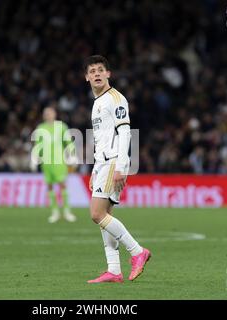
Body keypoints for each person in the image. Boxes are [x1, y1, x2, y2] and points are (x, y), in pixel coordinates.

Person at [84, 55, 151, 283]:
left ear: (108, 74)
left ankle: (137, 251)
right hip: (103, 163)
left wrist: (122, 166)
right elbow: (102, 139)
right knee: (106, 216)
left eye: (100, 70)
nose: (96, 74)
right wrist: (94, 170)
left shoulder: (116, 98)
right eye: (92, 71)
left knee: (96, 214)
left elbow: (124, 133)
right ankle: (114, 269)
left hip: (114, 162)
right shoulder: (97, 103)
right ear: (86, 77)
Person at [30, 106, 77, 223]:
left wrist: (72, 155)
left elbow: (68, 142)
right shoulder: (41, 128)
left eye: (50, 113)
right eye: (46, 114)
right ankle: (55, 212)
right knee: (50, 186)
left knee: (62, 185)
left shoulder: (61, 126)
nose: (48, 115)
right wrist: (34, 159)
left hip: (59, 161)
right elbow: (37, 145)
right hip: (46, 162)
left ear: (55, 114)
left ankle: (66, 211)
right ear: (43, 116)